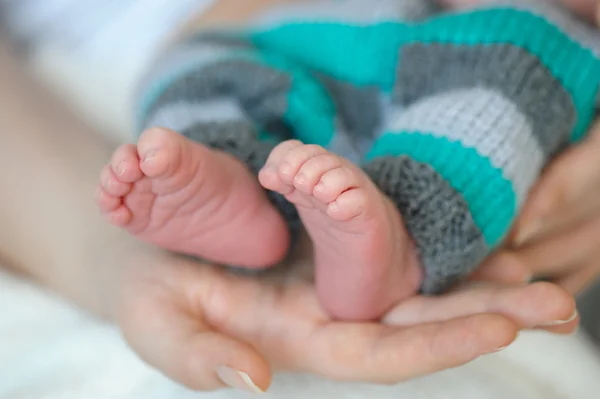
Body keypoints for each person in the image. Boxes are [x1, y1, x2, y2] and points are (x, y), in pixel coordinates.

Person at [0, 0, 597, 394]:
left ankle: (395, 234)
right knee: (191, 76)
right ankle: (239, 200)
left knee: (517, 71)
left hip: (463, 39)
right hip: (246, 33)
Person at [97, 0, 600, 322]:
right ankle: (234, 189)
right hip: (334, 32)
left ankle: (398, 236)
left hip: (500, 45)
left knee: (513, 78)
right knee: (201, 59)